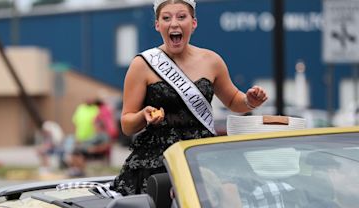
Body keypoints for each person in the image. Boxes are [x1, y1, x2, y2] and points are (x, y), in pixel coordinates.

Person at [111, 0, 268, 196]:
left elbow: (233, 100)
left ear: (193, 23)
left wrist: (249, 101)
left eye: (181, 17)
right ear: (157, 25)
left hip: (203, 154)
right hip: (159, 159)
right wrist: (144, 115)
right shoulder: (142, 65)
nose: (174, 24)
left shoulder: (212, 61)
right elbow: (126, 124)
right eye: (166, 18)